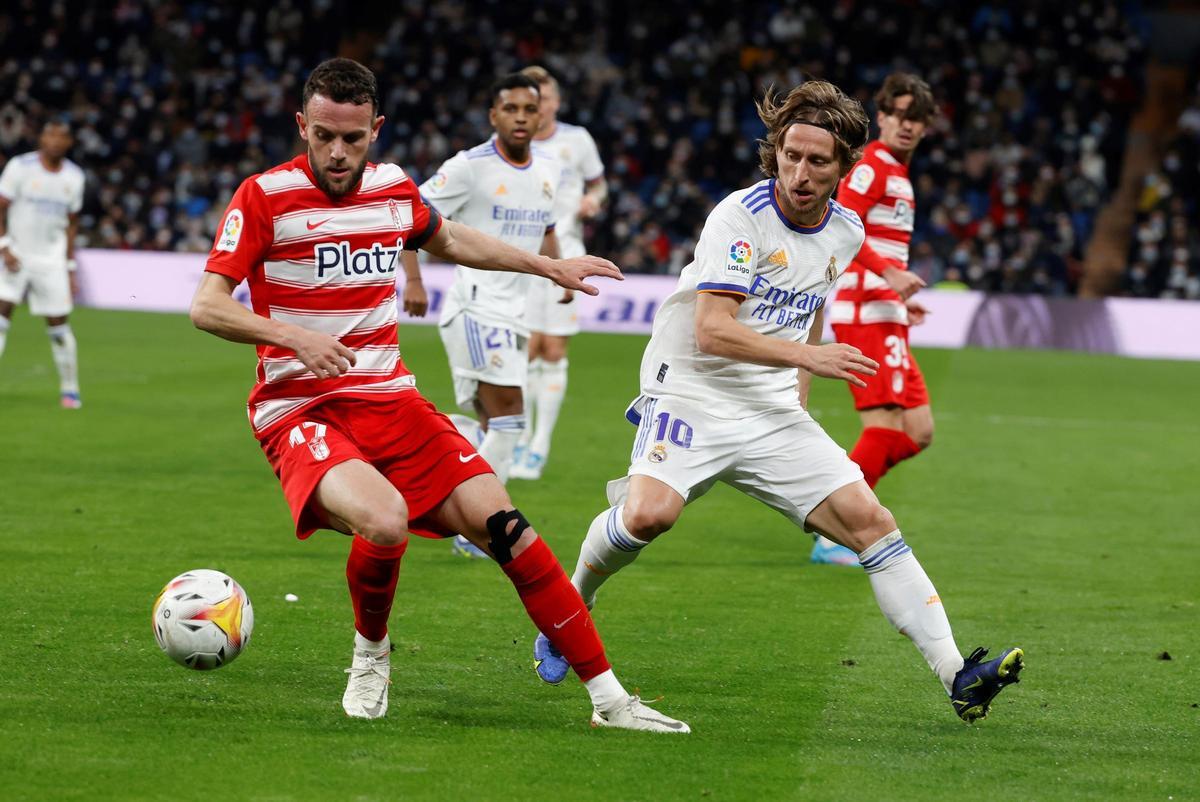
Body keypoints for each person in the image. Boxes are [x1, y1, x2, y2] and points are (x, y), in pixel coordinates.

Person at [189, 58, 687, 733]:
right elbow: (207, 307)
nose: (338, 153)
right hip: (302, 407)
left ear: (376, 129)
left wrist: (545, 264)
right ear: (302, 124)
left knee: (507, 528)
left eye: (355, 138)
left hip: (391, 401)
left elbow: (449, 237)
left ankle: (611, 701)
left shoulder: (395, 189)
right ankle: (370, 654)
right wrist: (291, 336)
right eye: (326, 136)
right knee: (386, 520)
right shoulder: (264, 196)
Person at [531, 80, 1023, 724]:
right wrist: (807, 359)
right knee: (648, 517)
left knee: (870, 522)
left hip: (769, 408)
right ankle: (570, 611)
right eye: (791, 155)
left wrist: (800, 395)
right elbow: (713, 328)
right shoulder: (739, 217)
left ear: (845, 166)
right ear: (776, 153)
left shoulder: (844, 231)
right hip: (692, 389)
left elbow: (811, 308)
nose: (800, 172)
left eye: (818, 161)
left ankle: (957, 673)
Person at [418, 73, 562, 557]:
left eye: (529, 108)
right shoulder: (468, 167)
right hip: (477, 307)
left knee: (489, 424)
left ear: (541, 115)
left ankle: (430, 444)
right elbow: (409, 211)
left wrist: (559, 273)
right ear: (493, 116)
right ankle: (476, 528)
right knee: (510, 423)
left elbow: (546, 227)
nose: (521, 117)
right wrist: (413, 279)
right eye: (511, 108)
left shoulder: (548, 168)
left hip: (514, 311)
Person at [814, 73, 936, 566]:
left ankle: (837, 505)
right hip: (865, 311)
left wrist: (899, 294)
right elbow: (842, 221)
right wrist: (888, 274)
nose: (907, 126)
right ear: (882, 115)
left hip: (887, 311)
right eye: (900, 115)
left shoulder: (898, 172)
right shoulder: (874, 167)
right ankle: (834, 531)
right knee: (885, 425)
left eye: (917, 119)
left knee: (918, 430)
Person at [509, 65, 608, 481]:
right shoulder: (513, 139)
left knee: (554, 349)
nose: (540, 105)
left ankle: (539, 446)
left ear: (555, 102)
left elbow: (599, 186)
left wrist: (593, 202)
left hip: (568, 253)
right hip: (522, 256)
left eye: (545, 98)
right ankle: (521, 436)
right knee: (527, 348)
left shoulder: (577, 140)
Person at [0, 120, 85, 408]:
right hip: (16, 256)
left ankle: (70, 390)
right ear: (41, 138)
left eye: (62, 137)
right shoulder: (20, 167)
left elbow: (72, 225)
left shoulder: (74, 177)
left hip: (51, 261)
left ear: (69, 143)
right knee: (1, 318)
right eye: (50, 135)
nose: (55, 141)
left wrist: (69, 265)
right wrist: (4, 247)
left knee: (59, 326)